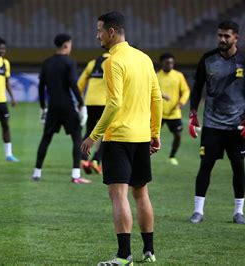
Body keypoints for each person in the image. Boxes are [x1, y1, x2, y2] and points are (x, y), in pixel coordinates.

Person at [81, 11, 162, 264]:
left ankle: (123, 255)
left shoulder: (112, 62)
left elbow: (114, 103)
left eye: (99, 31)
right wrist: (155, 133)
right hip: (141, 136)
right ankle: (149, 252)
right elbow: (156, 98)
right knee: (142, 194)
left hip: (118, 138)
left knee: (119, 195)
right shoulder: (144, 58)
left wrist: (93, 136)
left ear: (111, 32)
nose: (97, 36)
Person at [188, 20, 245, 225]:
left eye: (226, 36)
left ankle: (239, 212)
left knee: (238, 167)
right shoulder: (207, 59)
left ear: (236, 37)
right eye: (220, 35)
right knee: (206, 165)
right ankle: (198, 211)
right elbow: (197, 89)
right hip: (212, 124)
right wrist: (193, 115)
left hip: (237, 125)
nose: (222, 39)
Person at [32, 33, 91, 184]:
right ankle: (76, 175)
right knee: (76, 137)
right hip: (67, 106)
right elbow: (72, 83)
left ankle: (37, 173)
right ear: (66, 45)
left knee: (46, 138)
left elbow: (41, 86)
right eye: (70, 44)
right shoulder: (69, 62)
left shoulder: (47, 62)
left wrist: (43, 107)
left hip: (52, 106)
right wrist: (81, 103)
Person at [77, 51, 110, 174]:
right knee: (107, 134)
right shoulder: (114, 62)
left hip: (90, 102)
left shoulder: (92, 63)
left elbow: (80, 84)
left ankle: (84, 159)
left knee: (89, 131)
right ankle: (96, 160)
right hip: (105, 103)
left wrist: (80, 99)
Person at [157, 53, 190, 166]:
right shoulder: (156, 76)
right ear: (162, 63)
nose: (170, 65)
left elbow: (186, 91)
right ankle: (145, 155)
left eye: (171, 63)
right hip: (158, 113)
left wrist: (181, 102)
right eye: (167, 63)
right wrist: (161, 94)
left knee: (178, 135)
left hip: (174, 113)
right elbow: (150, 90)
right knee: (149, 136)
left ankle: (172, 156)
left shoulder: (178, 76)